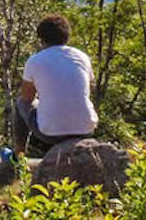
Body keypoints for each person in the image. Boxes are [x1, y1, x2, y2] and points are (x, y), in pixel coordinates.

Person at [12, 13, 97, 157]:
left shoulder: (35, 61)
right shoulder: (82, 57)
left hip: (51, 133)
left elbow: (27, 97)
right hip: (86, 129)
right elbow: (88, 88)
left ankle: (18, 156)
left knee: (20, 103)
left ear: (42, 39)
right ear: (67, 36)